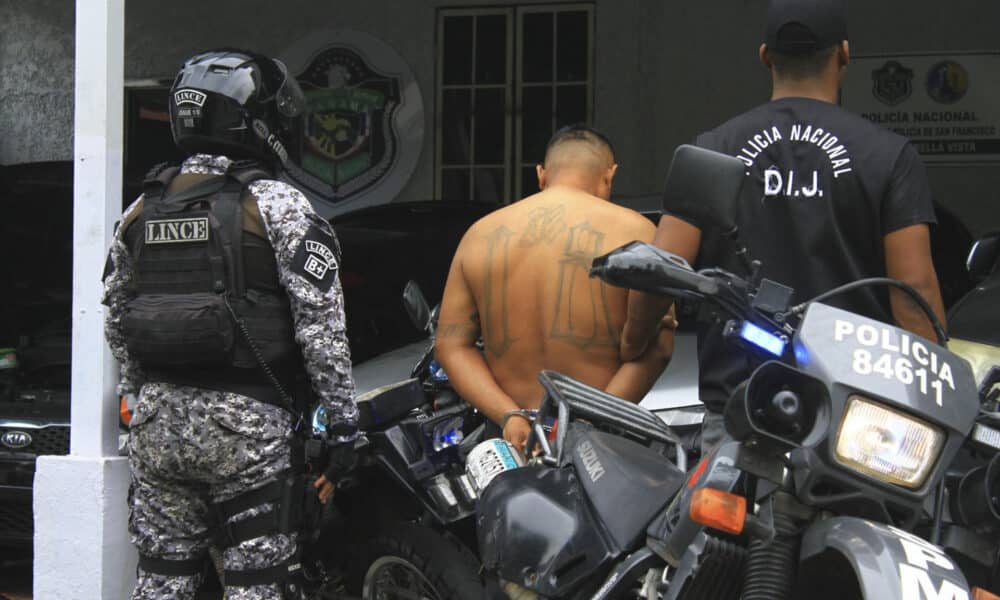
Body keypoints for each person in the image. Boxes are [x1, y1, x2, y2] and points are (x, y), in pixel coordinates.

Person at [619, 0, 946, 450]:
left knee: (717, 521)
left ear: (765, 56)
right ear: (845, 53)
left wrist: (632, 343)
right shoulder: (887, 155)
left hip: (740, 414)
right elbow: (914, 291)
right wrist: (937, 401)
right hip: (856, 425)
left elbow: (660, 270)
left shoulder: (715, 148)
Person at [102, 49, 358, 600]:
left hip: (156, 428)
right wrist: (342, 430)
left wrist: (139, 398)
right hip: (248, 433)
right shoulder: (278, 205)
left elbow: (117, 319)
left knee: (163, 580)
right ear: (259, 119)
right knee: (256, 582)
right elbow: (322, 329)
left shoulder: (141, 209)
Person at [435, 124, 676, 453]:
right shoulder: (637, 232)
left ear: (541, 174)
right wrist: (591, 422)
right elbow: (658, 349)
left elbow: (451, 346)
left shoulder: (480, 234)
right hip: (599, 443)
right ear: (610, 174)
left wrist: (510, 416)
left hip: (513, 440)